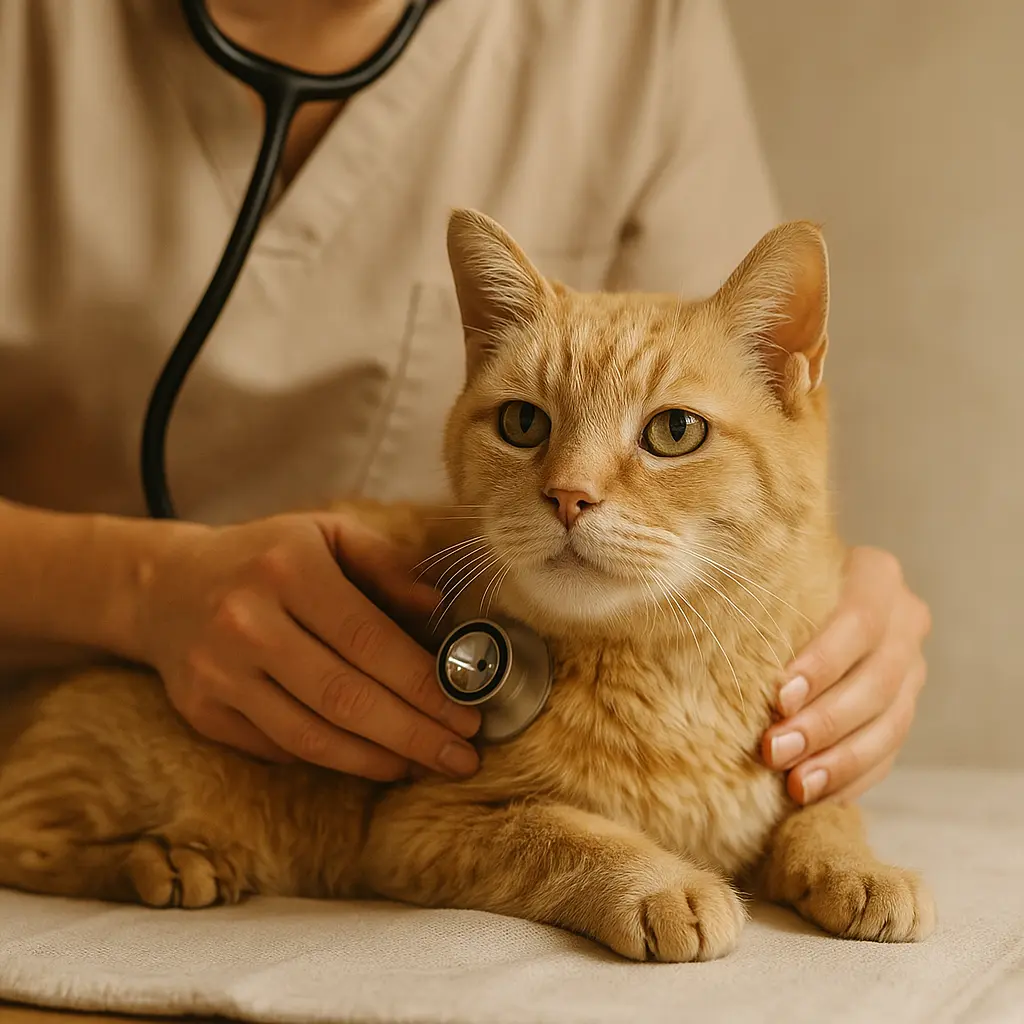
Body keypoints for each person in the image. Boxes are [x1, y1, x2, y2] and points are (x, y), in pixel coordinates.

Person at [0, 0, 930, 805]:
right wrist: (136, 588)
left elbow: (745, 396)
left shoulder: (637, 33)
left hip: (443, 717)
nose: (573, 483)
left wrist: (832, 600)